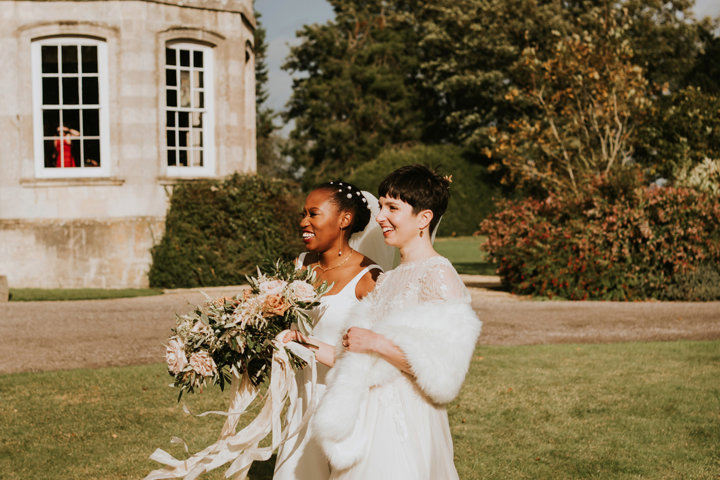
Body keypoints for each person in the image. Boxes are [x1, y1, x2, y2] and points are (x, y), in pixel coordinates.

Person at [310, 165, 482, 479]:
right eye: (381, 205)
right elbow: (351, 355)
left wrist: (376, 342)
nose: (380, 217)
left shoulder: (439, 275)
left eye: (393, 208)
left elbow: (444, 376)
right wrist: (301, 342)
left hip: (407, 423)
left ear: (423, 218)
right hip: (367, 418)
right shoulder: (388, 280)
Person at [274, 180, 388, 480]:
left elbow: (376, 356)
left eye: (313, 214)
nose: (304, 222)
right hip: (300, 394)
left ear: (344, 220)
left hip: (341, 397)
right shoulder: (299, 266)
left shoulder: (371, 278)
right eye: (303, 214)